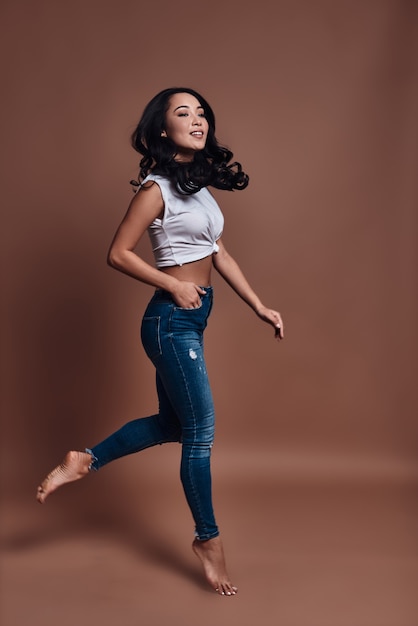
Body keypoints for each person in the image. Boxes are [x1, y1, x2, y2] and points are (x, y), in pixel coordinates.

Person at [36, 87, 284, 596]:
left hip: (192, 319)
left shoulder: (200, 189)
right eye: (182, 112)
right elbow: (117, 253)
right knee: (201, 431)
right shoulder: (155, 189)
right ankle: (207, 539)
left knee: (173, 423)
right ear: (162, 129)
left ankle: (84, 459)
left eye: (200, 112)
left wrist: (259, 305)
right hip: (171, 319)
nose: (196, 119)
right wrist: (172, 284)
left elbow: (220, 255)